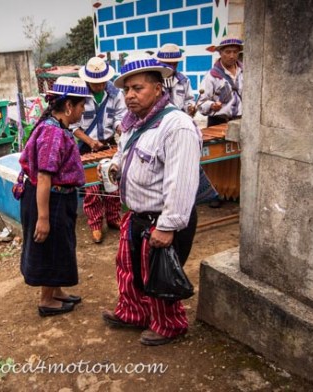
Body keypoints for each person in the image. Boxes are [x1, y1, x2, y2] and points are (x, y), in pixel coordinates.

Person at [101, 56, 201, 346]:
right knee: (130, 268)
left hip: (163, 218)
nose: (130, 95)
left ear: (158, 88)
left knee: (160, 276)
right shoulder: (132, 123)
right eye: (126, 90)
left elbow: (181, 182)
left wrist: (168, 226)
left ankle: (170, 325)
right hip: (137, 214)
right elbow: (123, 152)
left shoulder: (177, 126)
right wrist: (115, 164)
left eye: (138, 88)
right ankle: (134, 314)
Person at [18, 76, 90, 317]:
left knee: (60, 246)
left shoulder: (57, 127)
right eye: (81, 106)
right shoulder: (53, 133)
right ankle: (47, 300)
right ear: (69, 106)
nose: (83, 111)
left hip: (58, 197)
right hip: (50, 199)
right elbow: (45, 177)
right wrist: (44, 217)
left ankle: (56, 289)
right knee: (49, 246)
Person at [72, 56, 127, 244]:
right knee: (92, 188)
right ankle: (95, 224)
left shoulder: (115, 93)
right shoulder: (79, 96)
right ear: (87, 80)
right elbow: (74, 126)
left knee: (112, 182)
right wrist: (90, 141)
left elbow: (120, 116)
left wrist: (121, 129)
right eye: (96, 83)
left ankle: (113, 218)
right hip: (87, 146)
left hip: (109, 143)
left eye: (102, 81)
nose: (100, 86)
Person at [197, 37, 244, 127]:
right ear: (220, 53)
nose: (232, 56)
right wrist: (211, 105)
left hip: (240, 122)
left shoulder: (245, 72)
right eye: (228, 52)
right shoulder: (211, 76)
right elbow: (200, 104)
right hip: (218, 122)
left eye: (235, 52)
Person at [154, 43, 196, 116]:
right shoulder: (153, 81)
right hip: (159, 121)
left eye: (175, 64)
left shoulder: (184, 80)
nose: (172, 67)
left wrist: (190, 107)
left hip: (179, 120)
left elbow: (189, 99)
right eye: (168, 64)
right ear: (160, 62)